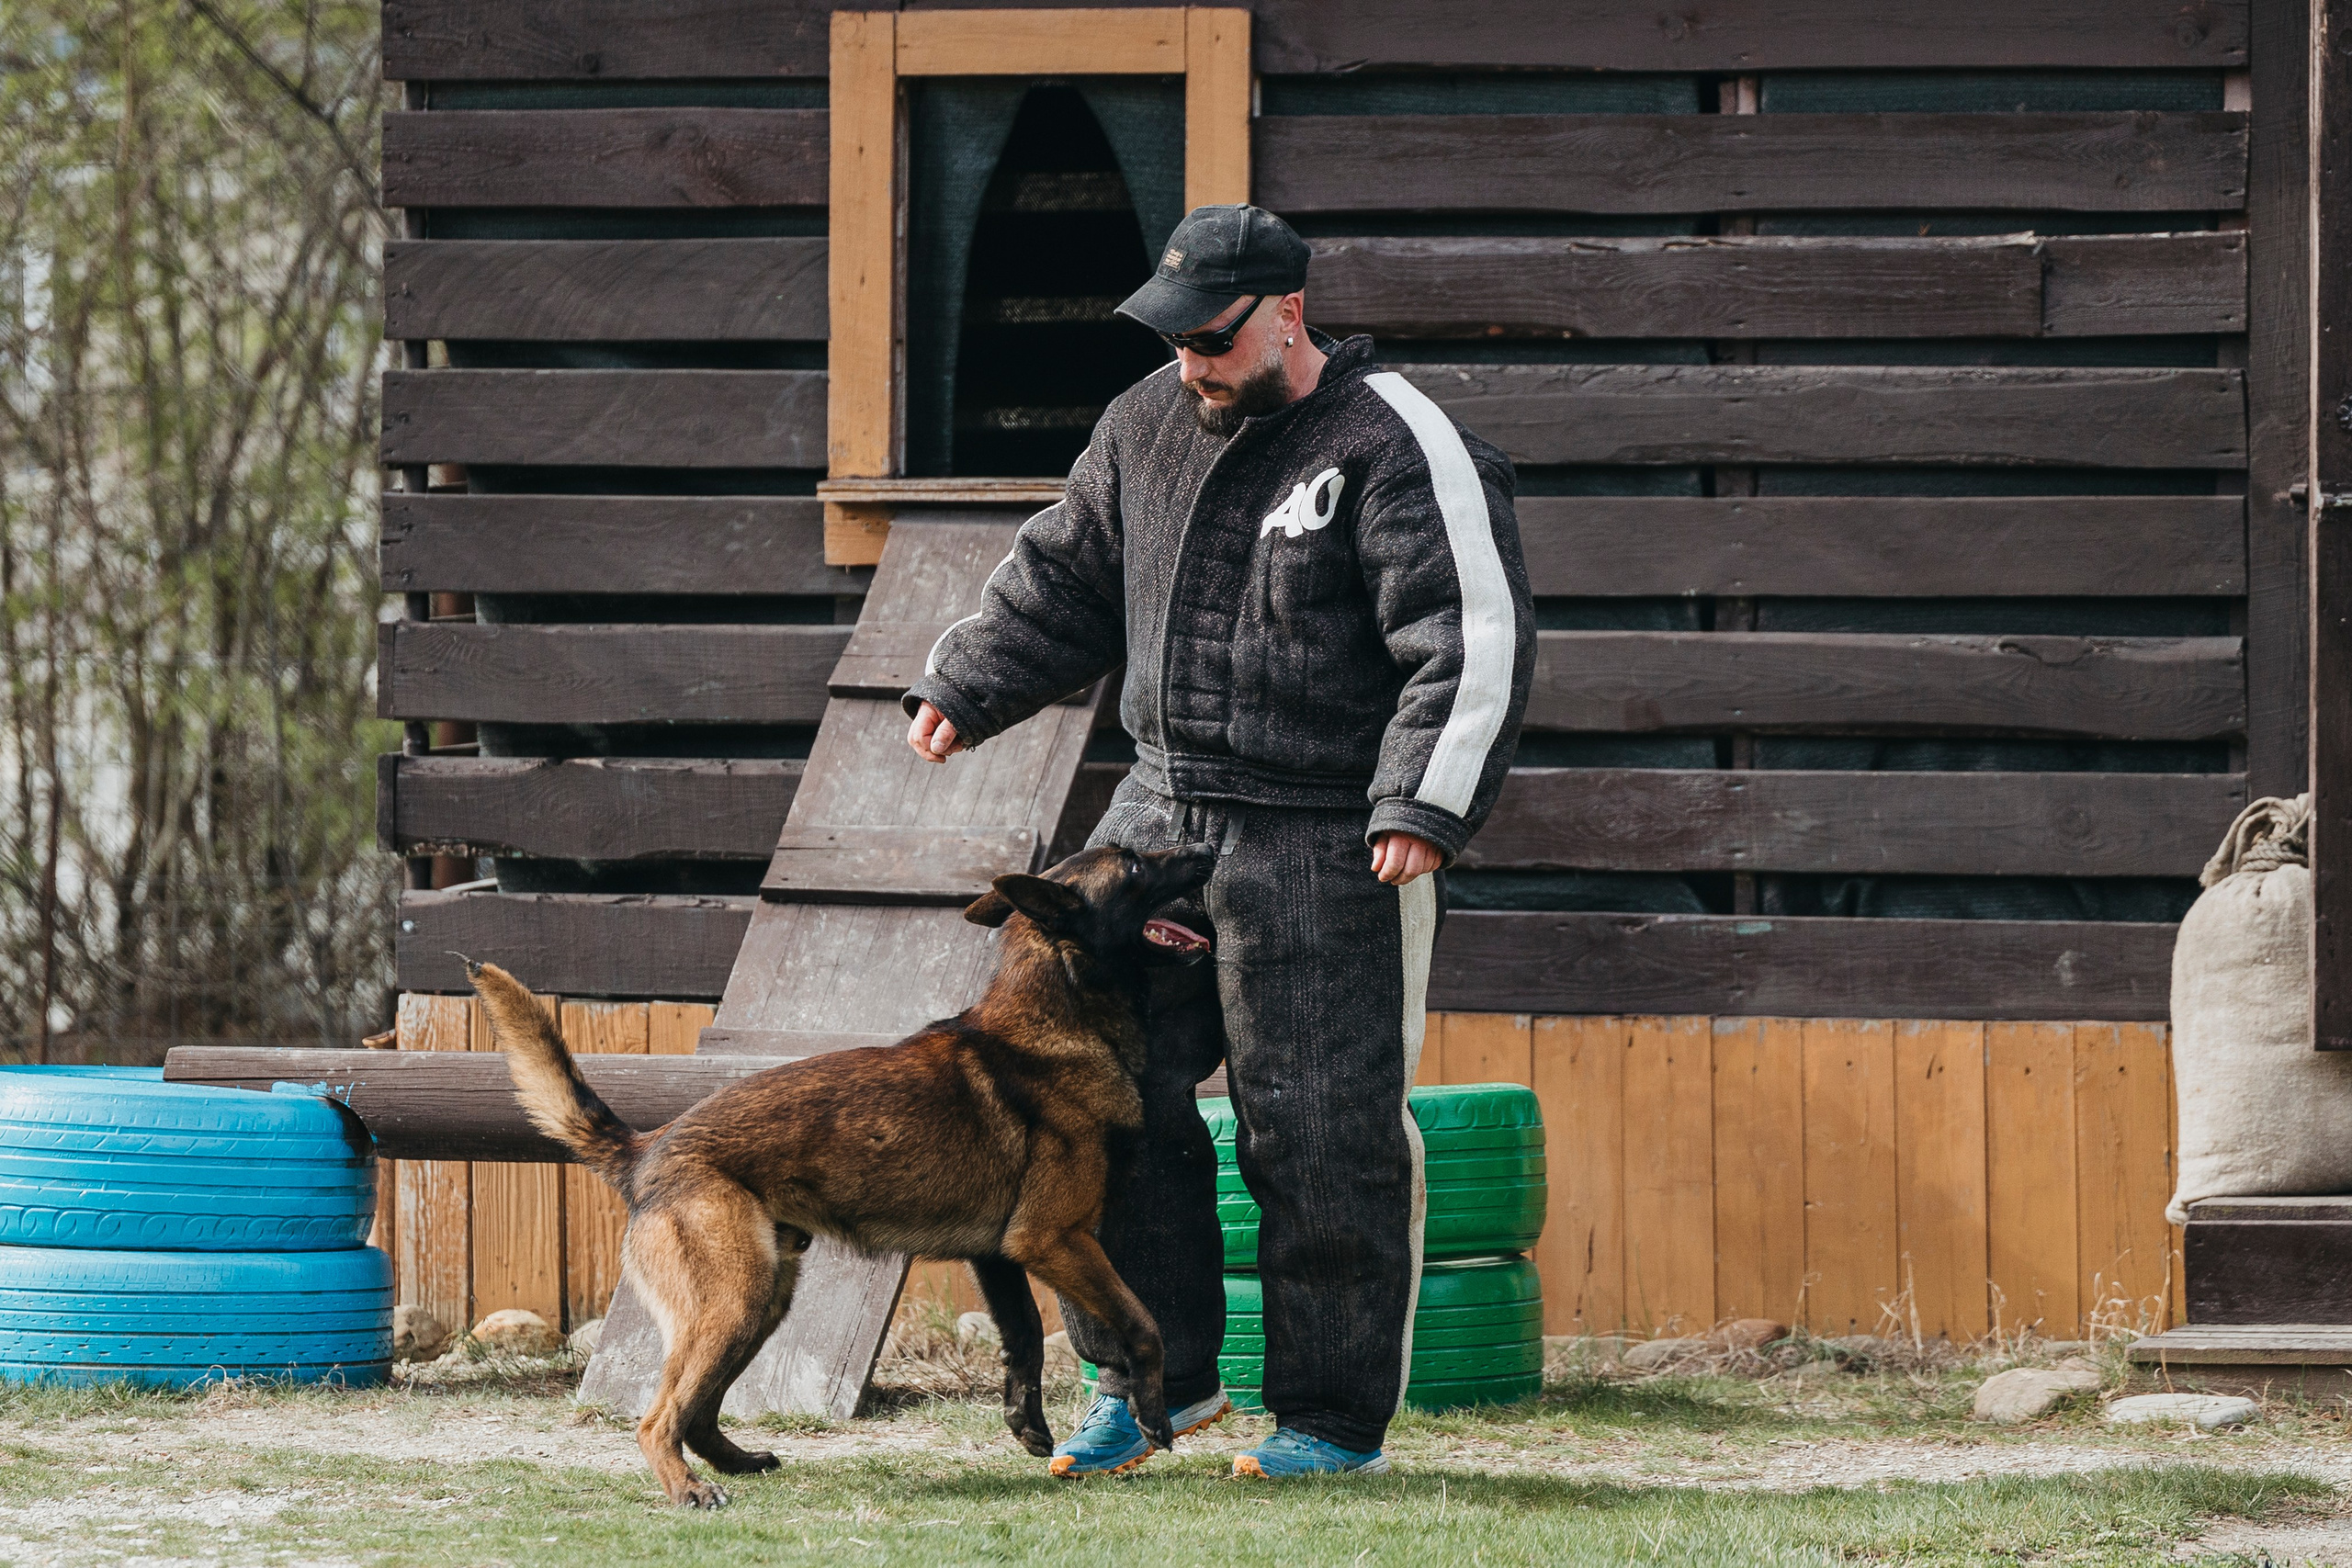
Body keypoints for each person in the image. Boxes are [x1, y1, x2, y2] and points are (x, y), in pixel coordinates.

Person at [904, 203, 1533, 1479]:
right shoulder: (1142, 422)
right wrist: (967, 684)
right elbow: (1064, 576)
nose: (1189, 362)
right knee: (1093, 1091)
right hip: (1160, 810)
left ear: (1289, 313)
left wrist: (1422, 801)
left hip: (1329, 829)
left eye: (1212, 339)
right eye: (1174, 338)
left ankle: (1329, 1421)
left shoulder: (1396, 442)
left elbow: (1469, 636)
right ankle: (1151, 1383)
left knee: (1315, 1128)